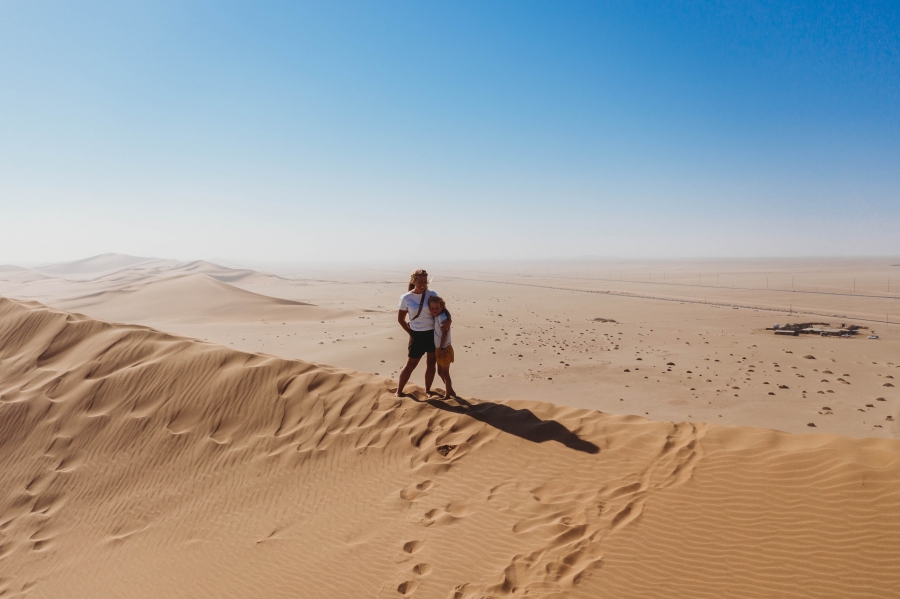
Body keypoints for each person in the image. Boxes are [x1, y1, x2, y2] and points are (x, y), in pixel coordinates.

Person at [395, 269, 449, 397]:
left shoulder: (432, 294)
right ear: (414, 281)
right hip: (416, 335)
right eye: (420, 281)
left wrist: (449, 320)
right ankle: (399, 391)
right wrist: (411, 333)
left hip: (432, 334)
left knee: (431, 364)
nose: (423, 284)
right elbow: (401, 320)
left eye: (425, 281)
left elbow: (443, 310)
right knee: (411, 365)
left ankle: (428, 391)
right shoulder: (406, 298)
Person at [429, 295, 456, 399]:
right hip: (439, 348)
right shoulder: (437, 317)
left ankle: (448, 395)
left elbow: (444, 334)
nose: (435, 310)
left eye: (437, 308)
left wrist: (441, 348)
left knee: (445, 373)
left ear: (442, 308)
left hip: (443, 349)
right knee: (440, 372)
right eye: (432, 308)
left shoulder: (442, 318)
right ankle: (451, 391)